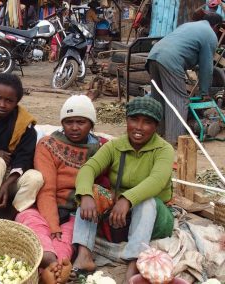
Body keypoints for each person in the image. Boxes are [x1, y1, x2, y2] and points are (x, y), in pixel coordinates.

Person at [72, 96, 175, 283]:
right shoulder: (115, 146)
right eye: (134, 119)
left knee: (147, 201)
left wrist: (127, 199)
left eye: (147, 122)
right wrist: (86, 195)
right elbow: (88, 168)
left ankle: (134, 262)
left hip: (155, 219)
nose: (139, 127)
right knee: (92, 191)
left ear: (156, 126)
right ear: (126, 120)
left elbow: (157, 180)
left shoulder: (164, 149)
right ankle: (84, 254)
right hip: (121, 219)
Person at [16, 95, 108, 278]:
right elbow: (47, 189)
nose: (74, 127)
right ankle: (50, 260)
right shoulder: (48, 145)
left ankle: (54, 267)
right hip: (45, 207)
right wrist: (52, 224)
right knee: (27, 218)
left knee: (68, 237)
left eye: (81, 122)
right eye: (68, 122)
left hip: (77, 211)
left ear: (91, 123)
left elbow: (105, 184)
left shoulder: (103, 148)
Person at [146, 12, 222, 145]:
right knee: (179, 100)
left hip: (153, 55)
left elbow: (185, 49)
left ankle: (156, 134)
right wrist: (204, 92)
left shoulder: (189, 26)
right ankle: (175, 140)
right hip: (170, 59)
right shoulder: (210, 35)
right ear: (216, 26)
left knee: (159, 99)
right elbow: (206, 68)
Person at [0, 73, 43, 219]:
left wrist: (7, 184)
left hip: (13, 177)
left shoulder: (24, 125)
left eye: (9, 100)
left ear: (17, 102)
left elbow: (25, 158)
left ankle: (11, 217)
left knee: (36, 177)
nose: (2, 104)